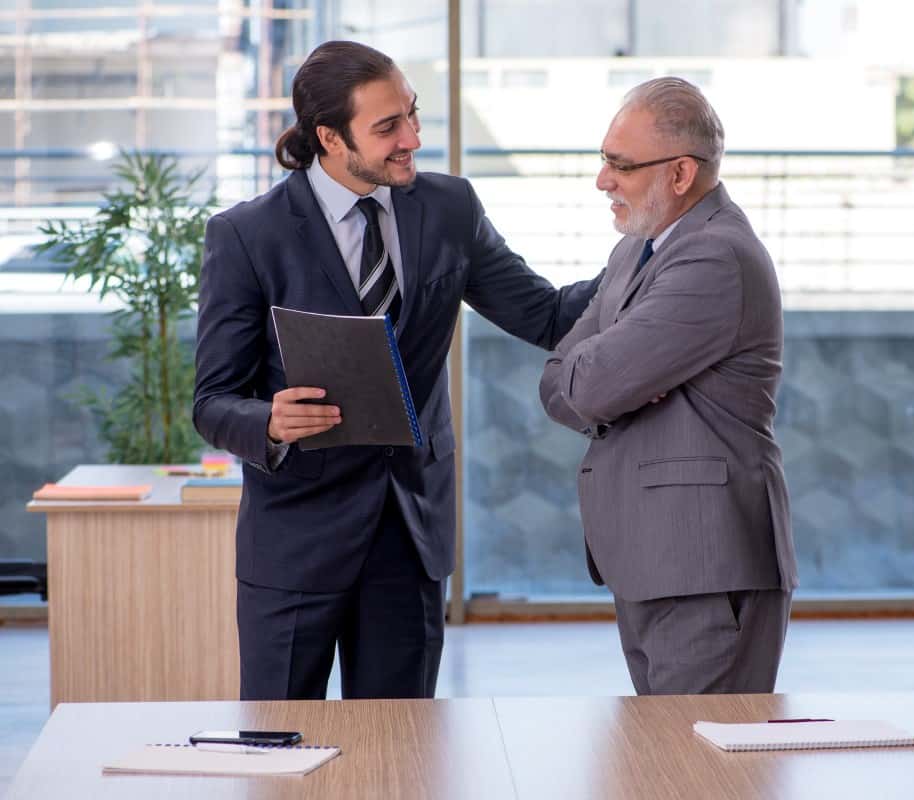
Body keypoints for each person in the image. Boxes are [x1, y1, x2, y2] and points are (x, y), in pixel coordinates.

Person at [193, 40, 599, 701]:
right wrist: (268, 419)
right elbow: (212, 402)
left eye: (411, 115)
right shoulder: (247, 235)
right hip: (295, 538)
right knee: (275, 750)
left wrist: (653, 249)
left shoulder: (449, 210)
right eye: (388, 127)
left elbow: (548, 316)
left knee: (401, 752)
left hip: (408, 534)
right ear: (329, 136)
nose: (411, 137)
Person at [539, 77, 798, 695]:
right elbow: (556, 381)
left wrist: (608, 373)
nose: (603, 180)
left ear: (681, 174)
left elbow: (594, 388)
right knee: (662, 769)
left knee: (704, 776)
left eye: (621, 165)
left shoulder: (716, 256)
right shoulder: (637, 250)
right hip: (650, 558)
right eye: (604, 159)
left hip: (704, 564)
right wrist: (616, 373)